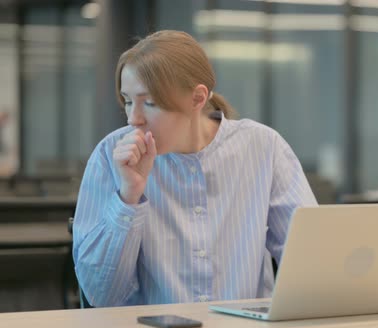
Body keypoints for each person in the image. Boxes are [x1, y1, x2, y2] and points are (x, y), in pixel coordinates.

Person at [72, 30, 317, 307]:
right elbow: (99, 295)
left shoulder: (264, 147)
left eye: (149, 103)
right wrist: (128, 197)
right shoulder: (110, 156)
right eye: (128, 101)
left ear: (197, 98)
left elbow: (313, 265)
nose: (133, 119)